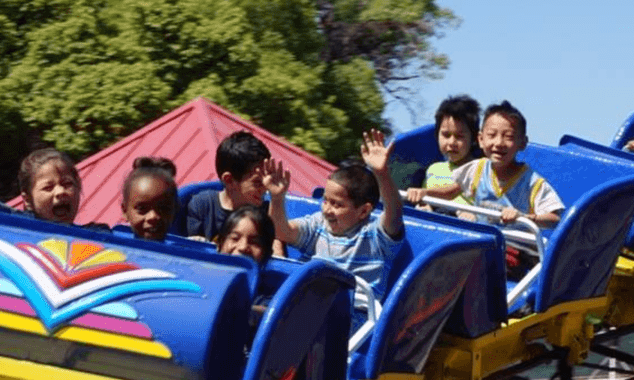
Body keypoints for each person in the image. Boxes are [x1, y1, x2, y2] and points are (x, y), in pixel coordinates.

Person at [266, 129, 405, 296]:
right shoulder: (318, 224)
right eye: (325, 200)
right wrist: (277, 198)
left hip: (351, 308)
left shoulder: (376, 237)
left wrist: (381, 174)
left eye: (337, 204)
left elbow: (395, 211)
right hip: (307, 298)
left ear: (363, 211)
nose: (327, 209)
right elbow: (280, 231)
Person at [406, 101, 564, 228]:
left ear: (522, 143)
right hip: (482, 244)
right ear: (481, 140)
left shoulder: (532, 183)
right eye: (492, 135)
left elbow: (555, 218)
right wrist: (424, 192)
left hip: (516, 247)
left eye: (508, 137)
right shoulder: (477, 169)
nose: (499, 143)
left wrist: (524, 217)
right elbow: (450, 192)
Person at [187, 131, 271, 242]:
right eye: (257, 182)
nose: (266, 188)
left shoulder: (267, 212)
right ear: (229, 180)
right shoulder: (203, 205)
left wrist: (278, 199)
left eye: (267, 180)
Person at [422, 95, 481, 207]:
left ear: (474, 139)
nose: (452, 142)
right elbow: (424, 201)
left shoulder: (481, 169)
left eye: (459, 136)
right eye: (446, 135)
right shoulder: (433, 170)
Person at [17, 148, 83, 225]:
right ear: (27, 199)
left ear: (78, 186)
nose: (61, 191)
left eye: (67, 183)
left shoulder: (90, 232)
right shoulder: (16, 229)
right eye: (48, 188)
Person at [122, 157, 178, 241]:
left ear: (175, 210)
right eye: (142, 208)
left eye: (163, 208)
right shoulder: (109, 245)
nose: (153, 217)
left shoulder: (185, 248)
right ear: (125, 211)